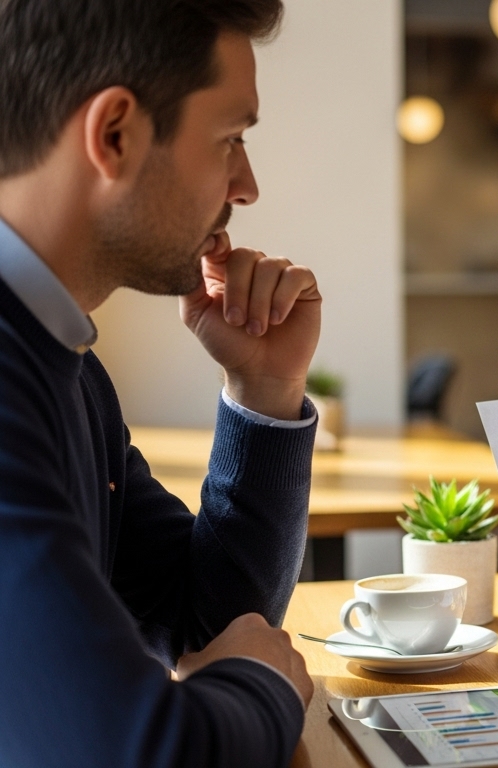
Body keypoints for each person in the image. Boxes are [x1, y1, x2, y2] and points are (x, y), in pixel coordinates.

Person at [0, 1, 321, 765]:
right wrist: (262, 683)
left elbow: (201, 620)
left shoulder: (64, 365)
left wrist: (264, 390)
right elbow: (137, 750)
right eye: (230, 140)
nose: (245, 186)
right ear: (114, 134)